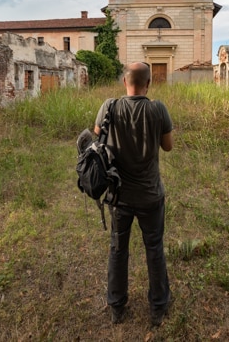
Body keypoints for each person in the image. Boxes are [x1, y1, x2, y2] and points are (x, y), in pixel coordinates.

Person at [94, 62, 174, 327]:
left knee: (118, 251)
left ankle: (117, 306)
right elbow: (168, 146)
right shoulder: (157, 108)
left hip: (119, 198)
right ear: (149, 84)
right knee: (155, 249)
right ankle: (158, 308)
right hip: (151, 196)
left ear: (124, 82)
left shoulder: (109, 106)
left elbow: (97, 139)